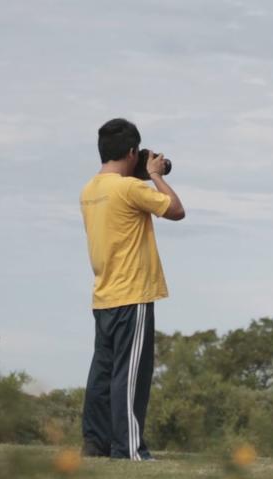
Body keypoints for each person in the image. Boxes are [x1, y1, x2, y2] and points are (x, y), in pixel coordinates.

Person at [79, 118, 185, 460]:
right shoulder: (131, 189)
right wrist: (155, 175)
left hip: (104, 294)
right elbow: (176, 210)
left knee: (103, 374)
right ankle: (129, 449)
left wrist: (137, 172)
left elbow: (120, 194)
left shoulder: (90, 190)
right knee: (131, 375)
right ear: (131, 152)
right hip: (133, 294)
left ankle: (96, 444)